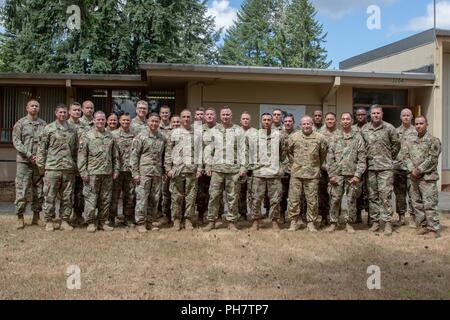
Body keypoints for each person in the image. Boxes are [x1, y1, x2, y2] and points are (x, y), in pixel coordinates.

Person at [203, 107, 247, 231]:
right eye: (223, 114)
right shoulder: (213, 130)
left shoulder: (238, 130)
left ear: (231, 115)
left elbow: (243, 150)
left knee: (232, 197)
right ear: (220, 116)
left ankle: (232, 221)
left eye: (228, 114)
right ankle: (212, 221)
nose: (226, 116)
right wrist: (208, 164)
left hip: (233, 170)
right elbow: (208, 149)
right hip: (217, 169)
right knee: (214, 196)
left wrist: (243, 166)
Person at [36, 104, 78, 232]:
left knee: (67, 196)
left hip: (68, 168)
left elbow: (76, 150)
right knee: (49, 195)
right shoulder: (48, 129)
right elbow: (42, 148)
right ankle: (49, 220)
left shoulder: (73, 129)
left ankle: (64, 220)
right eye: (60, 112)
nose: (63, 115)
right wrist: (41, 167)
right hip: (52, 168)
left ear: (67, 114)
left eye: (64, 112)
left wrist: (76, 166)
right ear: (56, 113)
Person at [360, 105, 401, 236]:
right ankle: (376, 222)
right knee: (372, 196)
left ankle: (387, 222)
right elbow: (362, 147)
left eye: (378, 113)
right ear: (370, 115)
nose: (376, 115)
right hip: (370, 168)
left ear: (382, 114)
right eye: (373, 113)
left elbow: (396, 145)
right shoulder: (365, 129)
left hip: (385, 168)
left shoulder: (389, 128)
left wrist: (388, 158)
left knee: (385, 196)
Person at [78, 111, 120, 232]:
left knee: (105, 199)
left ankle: (103, 222)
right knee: (91, 199)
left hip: (107, 173)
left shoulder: (110, 136)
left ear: (105, 121)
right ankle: (91, 222)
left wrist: (116, 169)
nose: (100, 122)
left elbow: (115, 155)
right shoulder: (87, 136)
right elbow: (81, 156)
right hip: (92, 173)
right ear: (94, 121)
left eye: (102, 120)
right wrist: (83, 172)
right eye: (98, 119)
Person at [326, 113, 367, 233]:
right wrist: (331, 175)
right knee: (335, 199)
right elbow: (330, 157)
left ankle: (349, 223)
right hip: (337, 175)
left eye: (347, 119)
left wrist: (357, 175)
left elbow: (362, 157)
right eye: (343, 119)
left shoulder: (357, 137)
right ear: (340, 121)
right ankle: (334, 222)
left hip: (352, 175)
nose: (345, 121)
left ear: (352, 120)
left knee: (351, 200)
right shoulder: (335, 136)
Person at [287, 116, 327, 232]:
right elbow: (289, 153)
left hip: (312, 173)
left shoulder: (320, 138)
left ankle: (311, 222)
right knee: (294, 199)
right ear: (300, 125)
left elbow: (323, 154)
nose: (306, 126)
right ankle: (294, 221)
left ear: (312, 124)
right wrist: (296, 164)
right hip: (297, 173)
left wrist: (315, 165)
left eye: (308, 123)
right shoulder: (293, 137)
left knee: (312, 200)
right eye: (303, 124)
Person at [404, 116, 442, 238]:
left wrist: (419, 170)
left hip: (427, 178)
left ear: (427, 124)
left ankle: (433, 229)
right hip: (414, 178)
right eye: (416, 123)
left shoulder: (433, 140)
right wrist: (411, 169)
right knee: (417, 204)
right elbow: (406, 156)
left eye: (421, 123)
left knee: (429, 204)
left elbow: (432, 159)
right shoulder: (411, 141)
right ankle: (423, 225)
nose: (418, 125)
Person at [165, 109, 202, 230]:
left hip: (191, 170)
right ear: (180, 118)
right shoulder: (174, 133)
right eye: (184, 117)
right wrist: (168, 168)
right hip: (177, 170)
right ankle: (176, 219)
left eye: (188, 117)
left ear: (191, 118)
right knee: (176, 197)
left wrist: (199, 168)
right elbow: (168, 151)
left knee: (191, 197)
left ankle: (188, 220)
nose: (186, 119)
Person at [250, 113, 288, 230]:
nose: (266, 122)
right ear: (261, 121)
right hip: (259, 172)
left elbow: (283, 154)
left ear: (272, 122)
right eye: (264, 120)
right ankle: (256, 221)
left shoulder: (279, 136)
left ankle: (274, 221)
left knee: (275, 199)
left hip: (274, 173)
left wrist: (281, 168)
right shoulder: (255, 136)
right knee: (256, 198)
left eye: (268, 120)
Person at [12, 99, 46, 229]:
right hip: (24, 162)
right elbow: (16, 141)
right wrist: (28, 154)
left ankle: (36, 217)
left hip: (38, 163)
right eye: (32, 106)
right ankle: (20, 217)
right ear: (27, 108)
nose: (34, 108)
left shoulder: (43, 124)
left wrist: (40, 156)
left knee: (39, 190)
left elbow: (45, 143)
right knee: (22, 190)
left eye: (37, 106)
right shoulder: (20, 124)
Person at [130, 113, 166, 233]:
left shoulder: (162, 137)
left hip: (157, 173)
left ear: (159, 122)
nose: (154, 124)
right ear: (148, 122)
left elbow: (164, 155)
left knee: (155, 198)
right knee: (142, 198)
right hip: (143, 173)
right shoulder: (141, 137)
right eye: (152, 121)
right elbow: (134, 156)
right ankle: (140, 222)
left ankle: (150, 221)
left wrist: (164, 171)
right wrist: (135, 173)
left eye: (156, 121)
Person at [110, 113, 135, 227]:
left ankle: (128, 218)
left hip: (130, 171)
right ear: (119, 121)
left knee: (129, 195)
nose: (125, 122)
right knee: (114, 195)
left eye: (128, 120)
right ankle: (111, 218)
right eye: (123, 120)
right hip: (117, 170)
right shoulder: (113, 135)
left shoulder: (135, 135)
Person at [394, 108, 417, 227]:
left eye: (408, 115)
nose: (406, 117)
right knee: (399, 194)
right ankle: (401, 217)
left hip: (411, 168)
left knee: (413, 193)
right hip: (398, 167)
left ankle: (412, 218)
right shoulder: (395, 131)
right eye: (404, 115)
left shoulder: (417, 131)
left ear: (412, 116)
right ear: (400, 117)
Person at [196, 107, 219, 224]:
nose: (209, 116)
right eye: (207, 114)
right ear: (204, 117)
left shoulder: (220, 129)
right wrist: (201, 167)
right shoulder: (199, 130)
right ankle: (200, 215)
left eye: (212, 114)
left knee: (216, 193)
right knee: (202, 192)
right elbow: (197, 150)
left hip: (217, 167)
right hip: (203, 166)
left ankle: (216, 217)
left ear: (215, 116)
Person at [67, 102, 87, 227]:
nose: (77, 112)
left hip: (81, 164)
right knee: (67, 192)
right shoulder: (65, 125)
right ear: (69, 111)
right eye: (74, 110)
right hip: (67, 163)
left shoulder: (85, 126)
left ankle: (78, 215)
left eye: (79, 110)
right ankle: (66, 217)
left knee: (80, 192)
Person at [318, 112, 338, 227]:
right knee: (322, 195)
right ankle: (324, 218)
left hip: (335, 170)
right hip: (322, 169)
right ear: (325, 120)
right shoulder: (319, 133)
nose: (330, 121)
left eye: (332, 119)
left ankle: (334, 218)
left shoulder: (340, 134)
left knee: (335, 196)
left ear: (335, 121)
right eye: (328, 119)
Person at [238, 111, 256, 220]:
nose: (245, 120)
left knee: (252, 192)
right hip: (239, 167)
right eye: (243, 119)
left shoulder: (255, 132)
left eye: (247, 119)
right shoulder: (236, 132)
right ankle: (242, 214)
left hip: (251, 167)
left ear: (250, 120)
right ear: (240, 120)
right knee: (240, 192)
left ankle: (253, 214)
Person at [353, 108, 369, 224]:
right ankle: (357, 215)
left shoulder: (370, 128)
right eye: (358, 114)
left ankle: (370, 217)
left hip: (370, 165)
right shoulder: (352, 129)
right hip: (356, 165)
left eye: (362, 114)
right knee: (357, 191)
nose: (360, 116)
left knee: (369, 191)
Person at [158, 104, 173, 224]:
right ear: (160, 114)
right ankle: (159, 214)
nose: (164, 115)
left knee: (169, 192)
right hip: (158, 166)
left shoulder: (175, 127)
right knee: (159, 192)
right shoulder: (155, 127)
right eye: (163, 113)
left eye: (166, 113)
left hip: (172, 165)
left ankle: (169, 215)